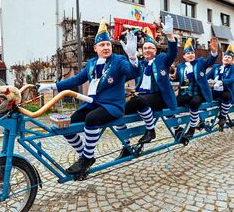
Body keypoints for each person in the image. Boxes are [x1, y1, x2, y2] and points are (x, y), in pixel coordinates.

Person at [39, 20, 140, 177]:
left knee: (91, 119)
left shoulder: (119, 61)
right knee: (67, 125)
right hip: (92, 104)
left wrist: (132, 58)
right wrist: (53, 86)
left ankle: (86, 159)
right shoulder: (92, 63)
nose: (106, 47)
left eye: (108, 44)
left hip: (112, 106)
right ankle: (86, 156)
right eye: (102, 45)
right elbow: (76, 80)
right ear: (95, 48)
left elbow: (133, 73)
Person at [115, 15, 177, 159]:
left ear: (156, 50)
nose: (147, 50)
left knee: (140, 101)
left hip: (159, 96)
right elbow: (129, 73)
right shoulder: (141, 64)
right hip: (142, 97)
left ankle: (151, 130)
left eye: (150, 48)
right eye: (145, 48)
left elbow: (172, 53)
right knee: (118, 111)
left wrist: (170, 36)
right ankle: (126, 146)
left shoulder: (162, 59)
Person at [174, 37, 219, 142]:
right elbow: (177, 79)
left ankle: (192, 128)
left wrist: (213, 52)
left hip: (198, 93)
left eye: (192, 53)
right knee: (169, 104)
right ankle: (177, 128)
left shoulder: (200, 62)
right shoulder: (180, 66)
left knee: (194, 103)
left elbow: (210, 61)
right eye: (188, 53)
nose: (190, 55)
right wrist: (173, 77)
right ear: (184, 56)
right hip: (184, 93)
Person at [206, 45, 234, 130]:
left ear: (232, 60)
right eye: (225, 57)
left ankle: (223, 116)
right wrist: (206, 80)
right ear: (222, 58)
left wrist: (222, 82)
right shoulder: (216, 67)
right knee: (204, 96)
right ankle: (204, 120)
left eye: (229, 57)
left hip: (226, 90)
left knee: (226, 96)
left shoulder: (233, 68)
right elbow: (207, 76)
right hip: (214, 90)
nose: (227, 59)